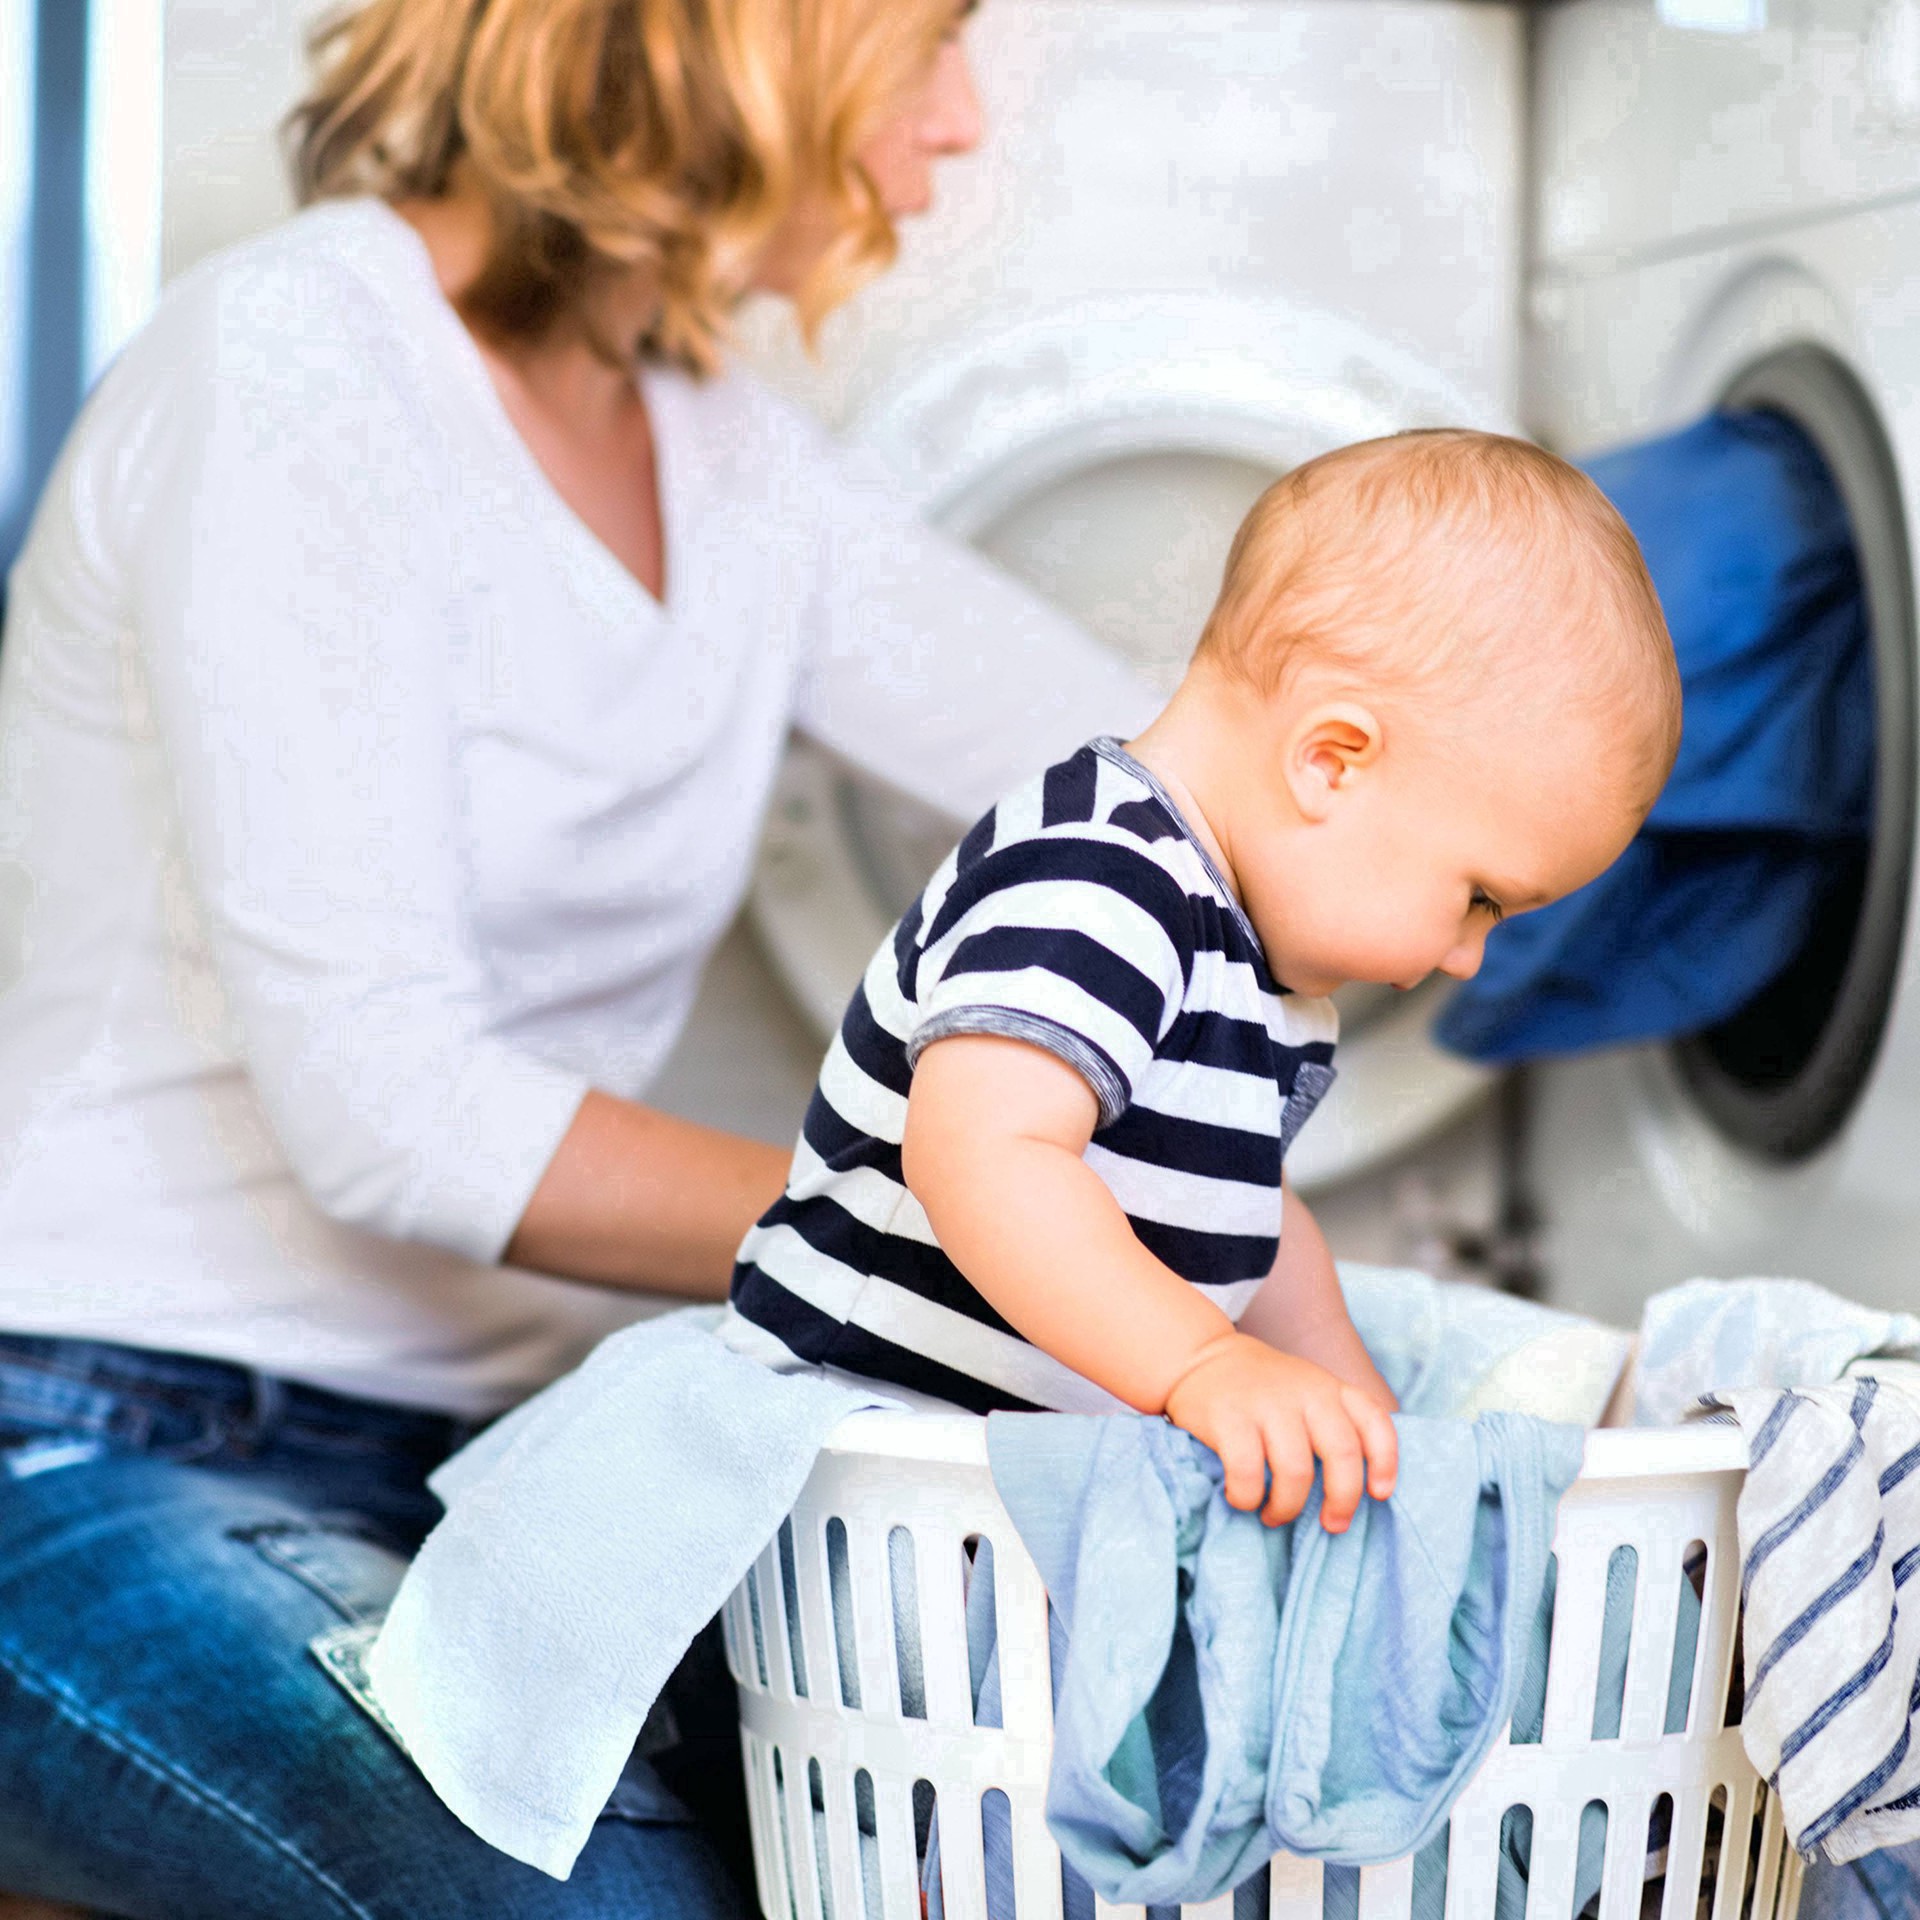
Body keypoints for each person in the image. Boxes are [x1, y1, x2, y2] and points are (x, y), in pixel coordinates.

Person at [0, 0, 1153, 1913]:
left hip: (502, 1457)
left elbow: (1149, 791)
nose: (958, 127)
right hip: (93, 1441)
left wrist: (1487, 794)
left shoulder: (732, 463)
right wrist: (990, 1217)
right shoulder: (295, 364)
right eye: (935, 39)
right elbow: (401, 1119)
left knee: (1002, 1828)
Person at [724, 428, 1682, 1530]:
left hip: (994, 1498)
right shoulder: (1098, 876)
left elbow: (1244, 1227)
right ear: (1332, 760)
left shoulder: (1258, 973)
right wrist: (1199, 1364)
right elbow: (981, 1152)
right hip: (858, 1470)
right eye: (1477, 897)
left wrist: (1362, 1426)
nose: (1467, 957)